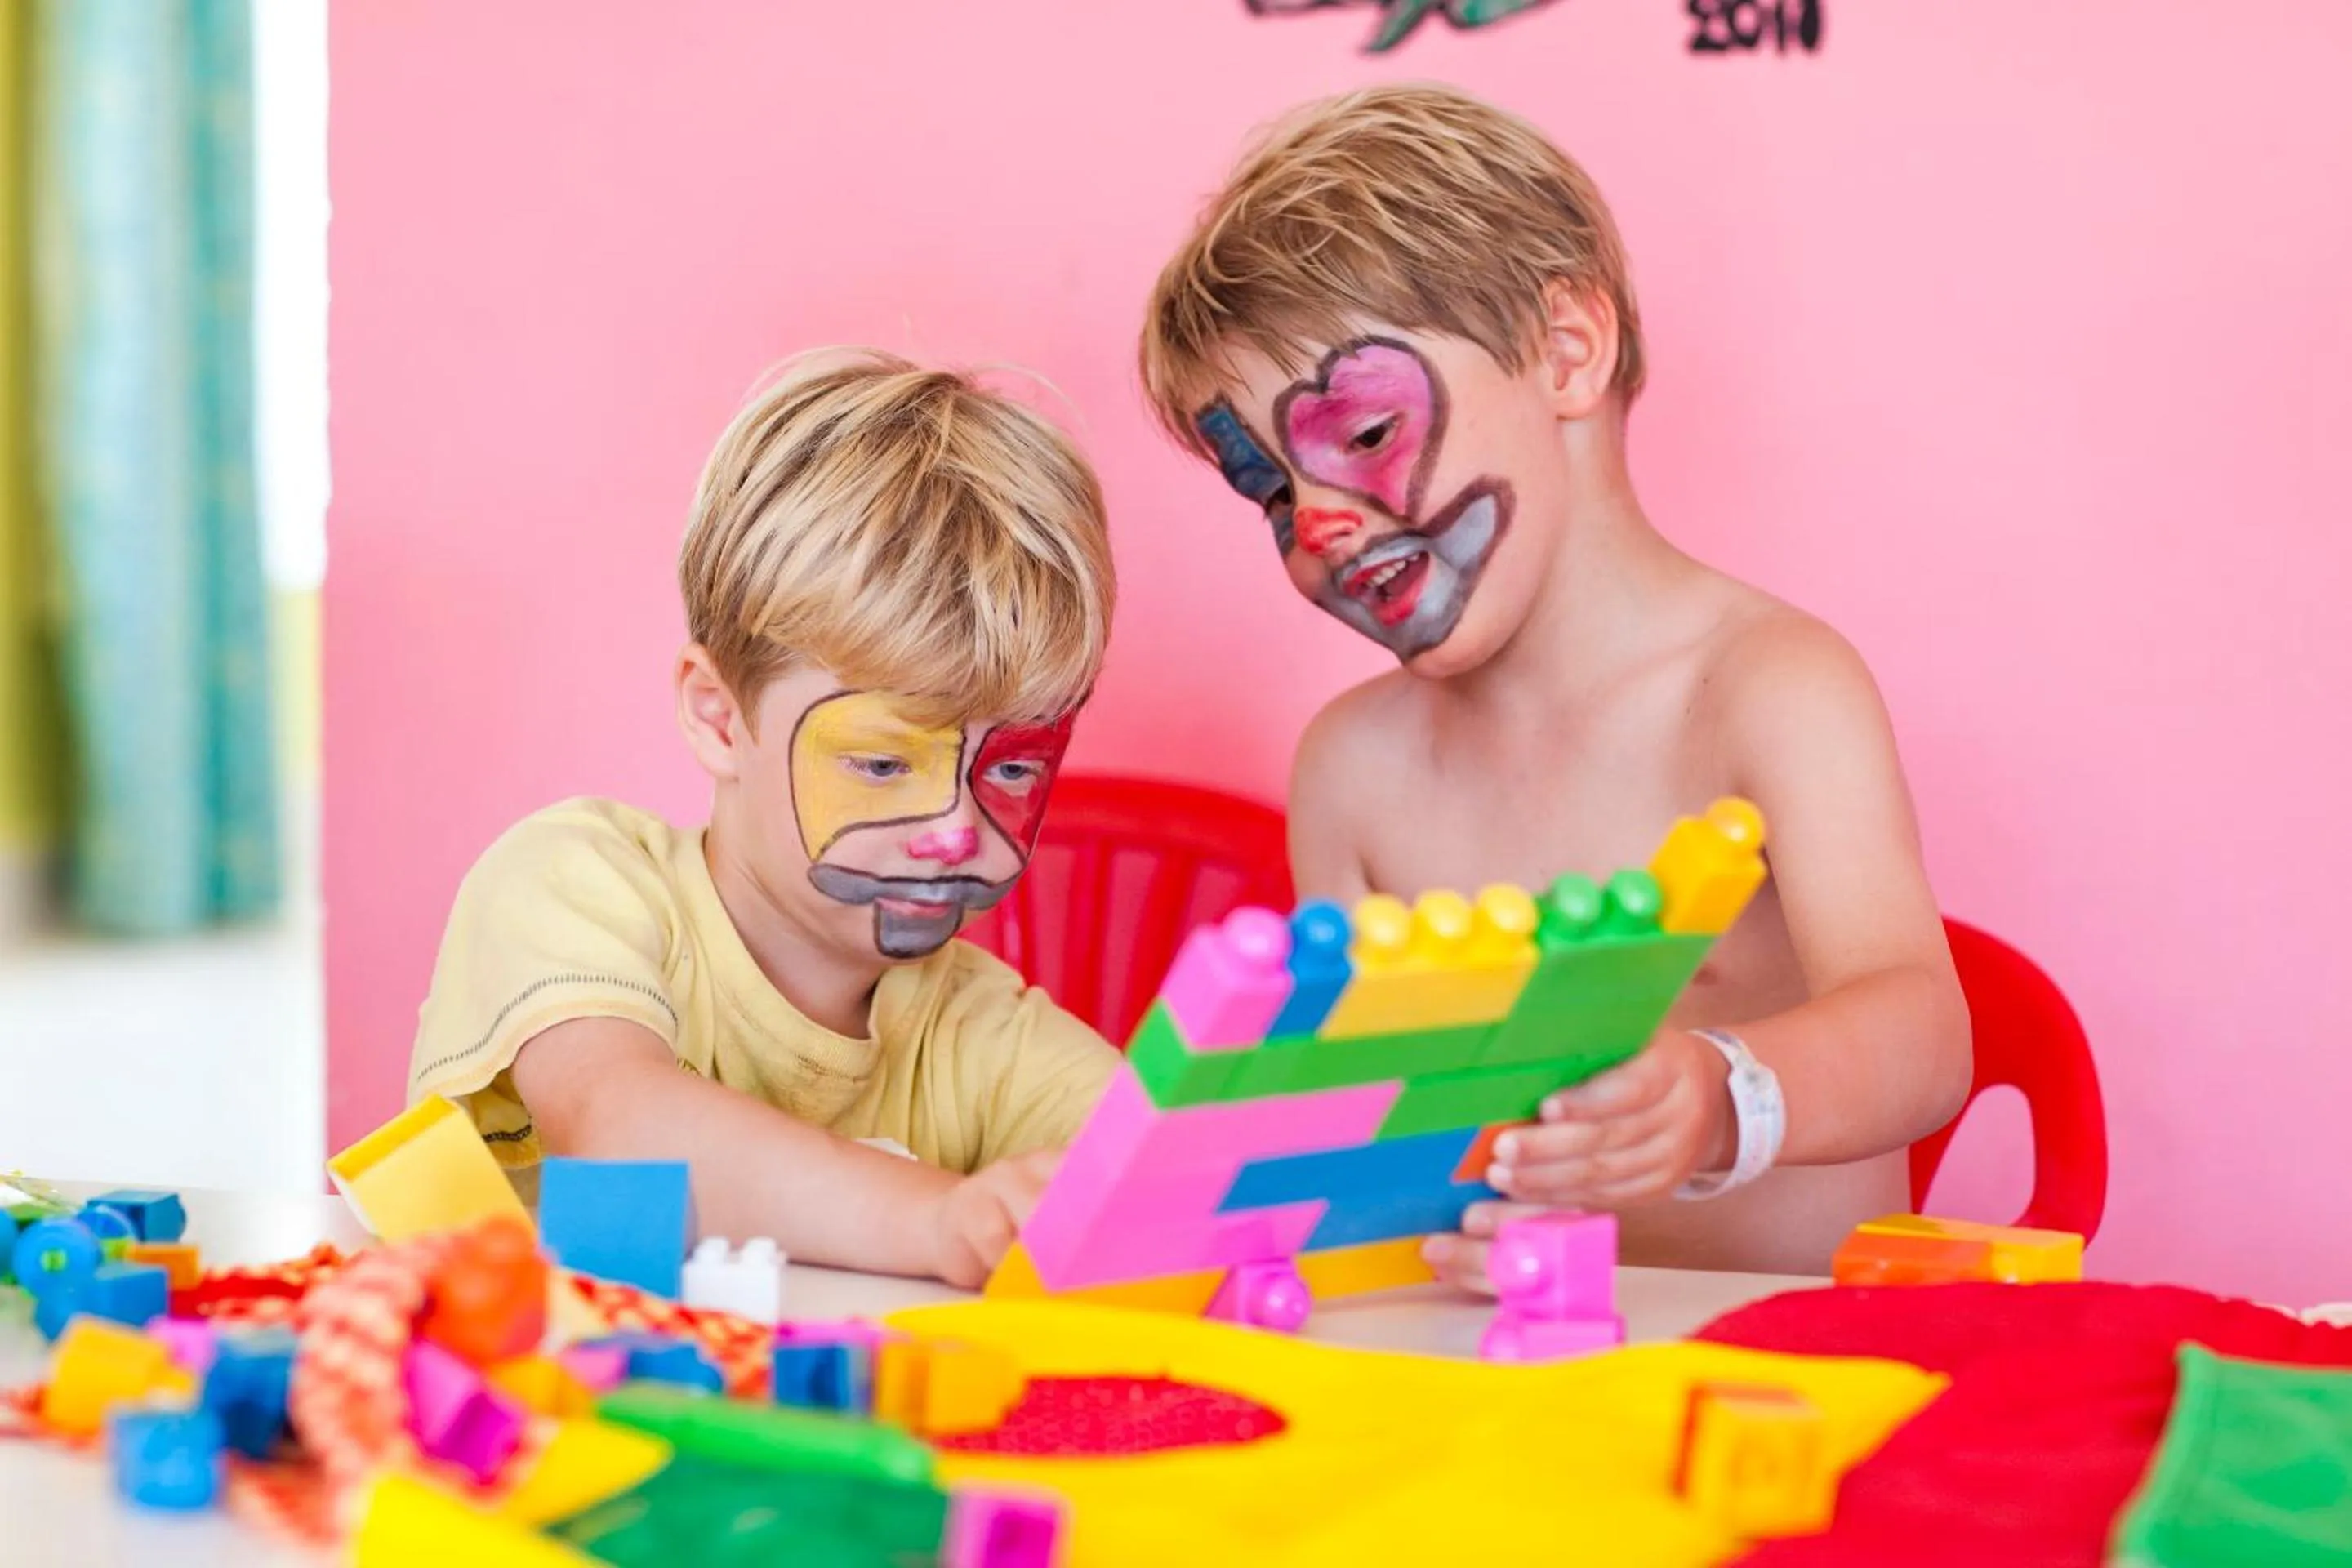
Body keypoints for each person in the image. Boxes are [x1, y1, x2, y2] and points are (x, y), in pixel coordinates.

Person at [1139, 84, 1971, 1276]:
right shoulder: (1352, 770)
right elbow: (1377, 1128)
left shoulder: (1769, 690)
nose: (1319, 526)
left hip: (1773, 1348)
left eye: (1363, 438)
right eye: (1273, 492)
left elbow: (1924, 1035)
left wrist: (1723, 1094)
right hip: (1489, 1348)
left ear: (1569, 353)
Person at [408, 350, 1120, 1286]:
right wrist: (941, 1219)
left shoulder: (980, 1031)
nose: (954, 829)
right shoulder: (572, 884)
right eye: (882, 763)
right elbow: (620, 1132)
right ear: (719, 717)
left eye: (1014, 766)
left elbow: (1169, 1180)